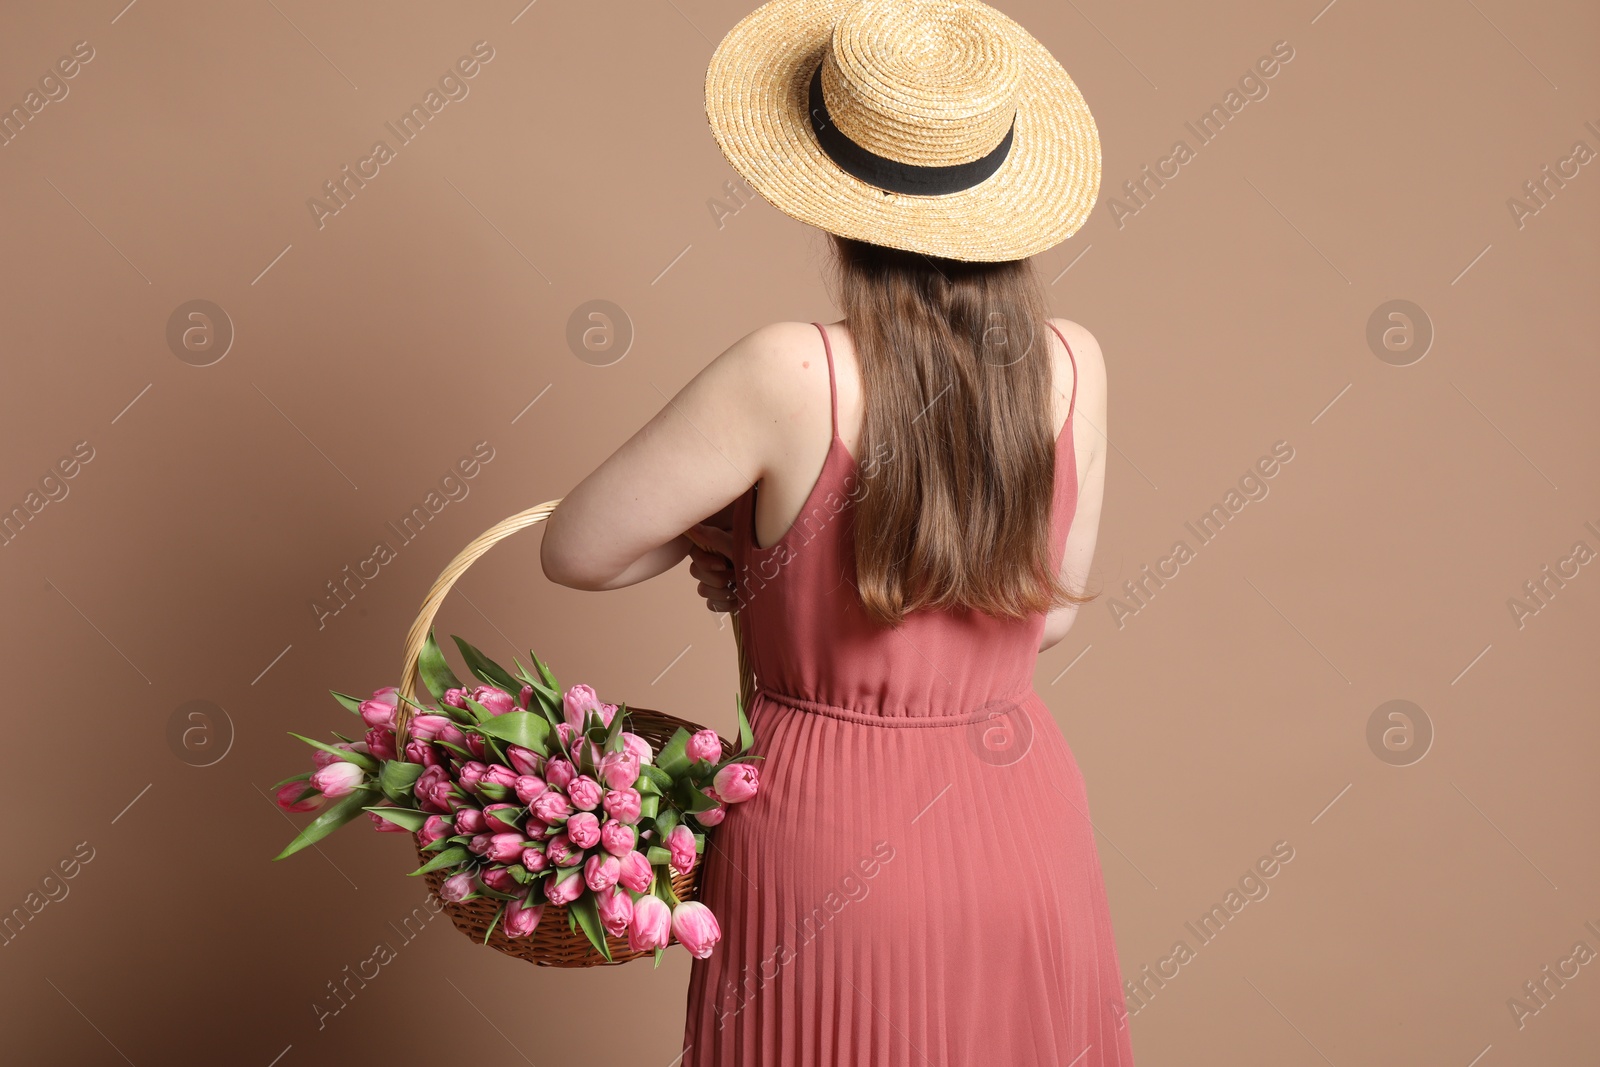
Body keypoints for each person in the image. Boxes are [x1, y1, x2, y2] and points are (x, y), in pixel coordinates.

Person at [540, 0, 1133, 1063]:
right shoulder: (1074, 361)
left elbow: (578, 546)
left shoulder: (788, 369)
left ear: (832, 195)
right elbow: (1043, 622)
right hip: (1021, 820)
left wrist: (734, 538)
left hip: (825, 834)